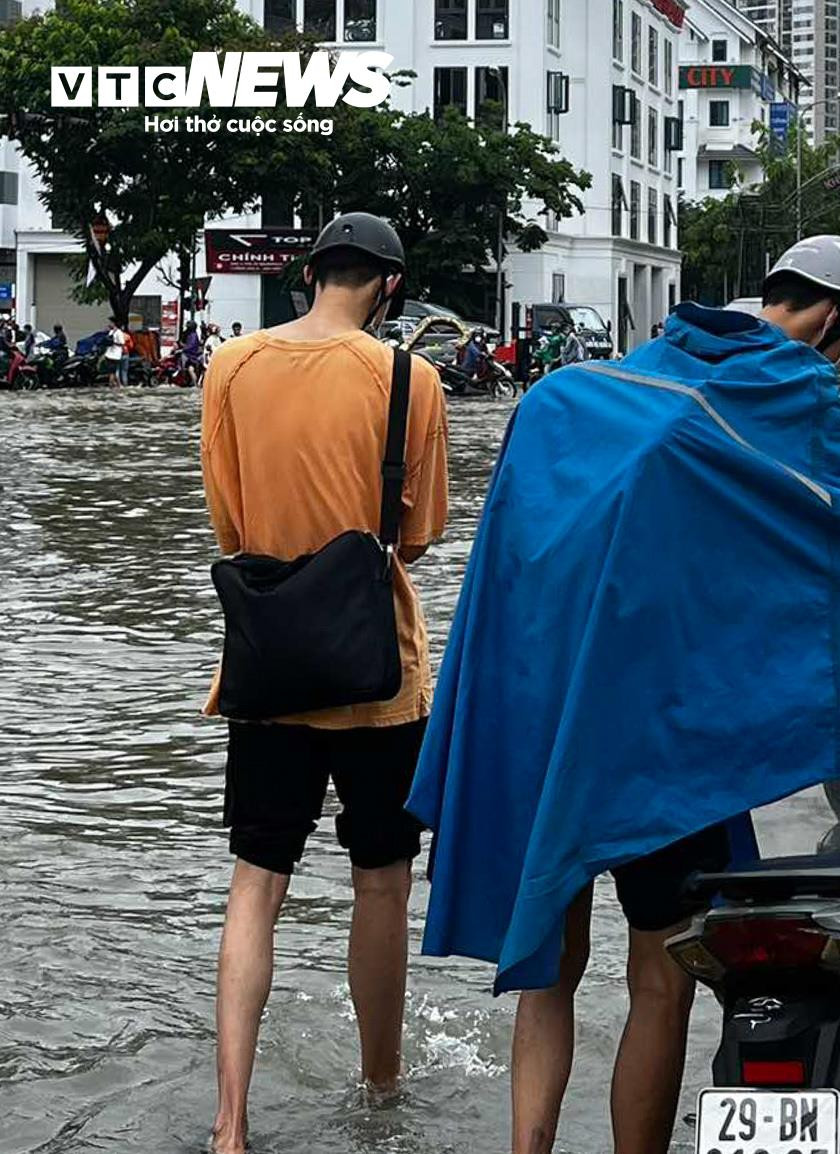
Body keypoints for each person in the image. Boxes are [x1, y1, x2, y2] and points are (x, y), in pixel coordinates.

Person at [405, 234, 840, 1154]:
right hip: (664, 748)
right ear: (837, 317)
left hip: (538, 723)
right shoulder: (793, 397)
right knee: (660, 978)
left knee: (549, 979)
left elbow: (510, 585)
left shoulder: (570, 398)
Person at [200, 212, 449, 1154]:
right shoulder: (408, 378)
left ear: (308, 274)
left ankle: (230, 1124)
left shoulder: (229, 365)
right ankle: (381, 1091)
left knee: (255, 882)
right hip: (377, 673)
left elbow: (229, 526)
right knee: (379, 884)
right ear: (388, 286)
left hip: (265, 668)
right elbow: (417, 534)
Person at [104, 319, 130, 385]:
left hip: (115, 355)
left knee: (114, 372)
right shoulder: (111, 332)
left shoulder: (119, 332)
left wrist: (114, 342)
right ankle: (117, 385)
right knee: (112, 372)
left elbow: (122, 343)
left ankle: (115, 385)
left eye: (110, 322)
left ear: (114, 324)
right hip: (109, 354)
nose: (109, 324)